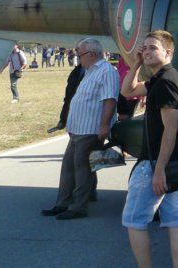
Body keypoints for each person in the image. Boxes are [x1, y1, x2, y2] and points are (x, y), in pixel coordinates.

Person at [116, 30, 178, 268]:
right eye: (144, 48)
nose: (146, 51)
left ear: (168, 52)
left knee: (134, 221)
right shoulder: (162, 78)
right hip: (174, 162)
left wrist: (158, 170)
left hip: (157, 164)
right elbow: (127, 91)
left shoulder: (166, 82)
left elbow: (171, 129)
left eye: (153, 48)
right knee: (174, 220)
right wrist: (136, 63)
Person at [40, 39, 119, 220]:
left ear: (92, 54)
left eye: (80, 54)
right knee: (68, 167)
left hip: (90, 129)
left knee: (82, 169)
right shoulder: (89, 71)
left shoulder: (107, 71)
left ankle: (78, 207)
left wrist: (104, 125)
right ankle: (63, 203)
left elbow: (110, 100)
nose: (77, 57)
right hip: (77, 129)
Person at [46, 60, 85, 133]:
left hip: (88, 122)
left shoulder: (99, 72)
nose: (78, 57)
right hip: (74, 120)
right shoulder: (76, 71)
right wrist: (63, 119)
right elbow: (68, 97)